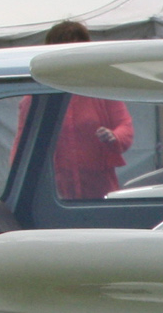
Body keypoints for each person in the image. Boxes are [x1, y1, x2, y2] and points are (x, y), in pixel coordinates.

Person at [40, 21, 134, 200]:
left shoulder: (101, 89)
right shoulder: (37, 96)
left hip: (101, 192)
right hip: (56, 194)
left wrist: (114, 136)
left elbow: (125, 128)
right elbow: (22, 143)